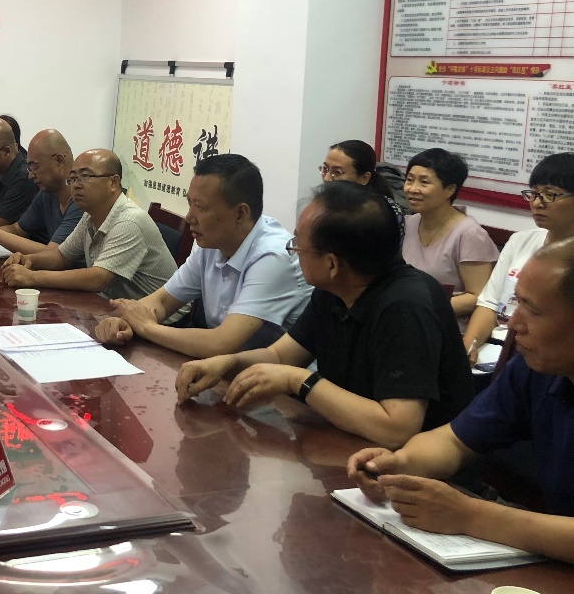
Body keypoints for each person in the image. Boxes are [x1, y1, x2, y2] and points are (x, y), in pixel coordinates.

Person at [177, 181, 473, 448]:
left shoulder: (407, 305)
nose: (293, 250)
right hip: (345, 442)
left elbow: (397, 428)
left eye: (297, 245)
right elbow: (280, 356)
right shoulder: (335, 289)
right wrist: (227, 364)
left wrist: (299, 381)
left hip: (415, 471)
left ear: (332, 263)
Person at [346, 239, 574, 563]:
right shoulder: (533, 370)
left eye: (532, 310)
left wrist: (472, 515)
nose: (514, 323)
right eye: (516, 303)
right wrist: (400, 464)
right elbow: (454, 441)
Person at [95, 154, 310, 358]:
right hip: (228, 368)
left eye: (200, 207)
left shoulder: (273, 256)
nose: (189, 217)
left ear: (240, 213)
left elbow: (221, 343)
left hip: (281, 379)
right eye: (189, 203)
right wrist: (126, 321)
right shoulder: (212, 242)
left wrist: (146, 327)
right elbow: (163, 301)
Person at [1, 150, 176, 300]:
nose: (76, 185)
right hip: (114, 306)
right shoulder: (90, 215)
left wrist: (32, 277)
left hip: (163, 320)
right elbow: (62, 256)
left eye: (85, 176)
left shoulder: (129, 221)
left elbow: (98, 279)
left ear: (113, 183)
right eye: (73, 178)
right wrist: (29, 260)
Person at [462, 153, 574, 363]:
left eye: (550, 194)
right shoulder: (520, 240)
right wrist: (469, 346)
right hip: (495, 349)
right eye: (534, 193)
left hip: (544, 355)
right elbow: (489, 304)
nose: (537, 203)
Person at [402, 147, 498, 320]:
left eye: (424, 182)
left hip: (448, 323)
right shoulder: (409, 223)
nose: (412, 189)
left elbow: (478, 297)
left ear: (450, 189)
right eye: (409, 180)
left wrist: (423, 307)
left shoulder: (470, 235)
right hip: (411, 318)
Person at [0, 129, 80, 257]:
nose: (30, 175)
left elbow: (55, 254)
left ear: (59, 161)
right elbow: (17, 229)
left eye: (35, 166)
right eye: (29, 168)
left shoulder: (80, 199)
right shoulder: (46, 193)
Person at [320, 140, 397, 200]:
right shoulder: (323, 202)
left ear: (364, 178)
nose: (326, 178)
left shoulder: (379, 210)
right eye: (325, 169)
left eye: (337, 172)